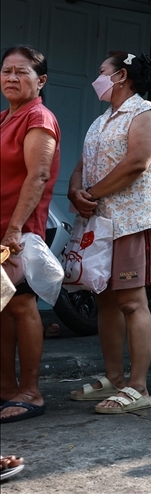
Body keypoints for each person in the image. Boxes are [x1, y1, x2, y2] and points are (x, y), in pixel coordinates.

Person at [68, 52, 151, 414]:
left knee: (131, 301)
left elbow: (137, 162)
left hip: (131, 221)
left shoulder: (147, 114)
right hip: (100, 224)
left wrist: (91, 194)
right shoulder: (101, 122)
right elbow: (82, 165)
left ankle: (138, 386)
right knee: (106, 302)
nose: (98, 78)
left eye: (102, 72)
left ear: (121, 75)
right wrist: (75, 191)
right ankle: (114, 378)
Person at [0, 46, 60, 424]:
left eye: (21, 72)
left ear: (41, 81)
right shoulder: (4, 118)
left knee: (22, 306)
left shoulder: (38, 117)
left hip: (17, 228)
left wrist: (15, 227)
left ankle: (31, 391)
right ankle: (6, 388)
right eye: (6, 71)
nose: (11, 78)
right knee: (2, 307)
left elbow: (38, 175)